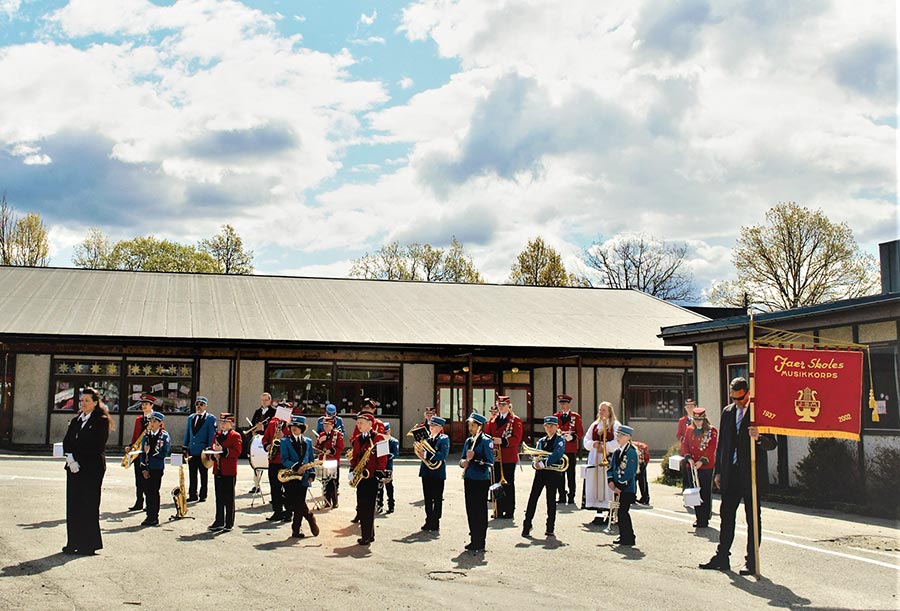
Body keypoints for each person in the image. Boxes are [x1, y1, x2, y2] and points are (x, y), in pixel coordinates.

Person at [700, 377, 777, 575]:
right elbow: (722, 444)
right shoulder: (728, 412)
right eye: (734, 398)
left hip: (750, 473)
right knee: (726, 515)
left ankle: (751, 560)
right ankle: (722, 556)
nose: (737, 402)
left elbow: (772, 444)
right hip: (730, 471)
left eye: (740, 398)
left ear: (747, 393)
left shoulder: (759, 412)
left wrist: (759, 437)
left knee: (752, 518)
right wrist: (718, 471)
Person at [62, 386, 112, 555]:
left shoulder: (101, 421)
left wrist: (78, 460)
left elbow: (96, 446)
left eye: (87, 400)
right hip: (73, 467)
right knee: (73, 504)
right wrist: (70, 459)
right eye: (81, 400)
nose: (83, 403)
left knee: (88, 505)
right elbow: (67, 441)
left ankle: (88, 544)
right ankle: (73, 542)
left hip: (91, 468)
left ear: (95, 403)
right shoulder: (76, 420)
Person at [522, 416, 566, 538]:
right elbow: (537, 454)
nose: (549, 428)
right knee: (533, 498)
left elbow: (558, 453)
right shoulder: (541, 441)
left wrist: (544, 463)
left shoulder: (560, 440)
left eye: (551, 426)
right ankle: (527, 525)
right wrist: (535, 463)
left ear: (556, 427)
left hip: (553, 473)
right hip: (540, 473)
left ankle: (550, 527)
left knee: (550, 500)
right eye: (547, 426)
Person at [350, 413, 388, 545]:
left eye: (361, 422)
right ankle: (370, 534)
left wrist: (379, 472)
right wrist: (352, 470)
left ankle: (365, 536)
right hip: (360, 477)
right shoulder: (357, 439)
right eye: (358, 423)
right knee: (362, 506)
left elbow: (383, 458)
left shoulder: (380, 438)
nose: (358, 425)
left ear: (370, 423)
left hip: (371, 477)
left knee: (368, 507)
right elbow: (354, 457)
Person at [483, 396, 523, 520]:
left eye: (503, 405)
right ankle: (498, 510)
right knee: (496, 484)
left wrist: (503, 441)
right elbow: (486, 434)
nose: (501, 407)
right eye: (499, 404)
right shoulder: (493, 420)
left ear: (509, 406)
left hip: (508, 457)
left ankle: (509, 510)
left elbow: (517, 438)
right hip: (495, 456)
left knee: (508, 484)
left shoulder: (515, 420)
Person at [280, 415, 320, 538]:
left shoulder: (307, 441)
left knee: (300, 502)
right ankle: (309, 517)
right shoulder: (285, 441)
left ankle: (296, 530)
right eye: (292, 426)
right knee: (293, 502)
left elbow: (311, 458)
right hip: (291, 476)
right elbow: (284, 459)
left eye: (297, 427)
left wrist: (312, 473)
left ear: (302, 428)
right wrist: (296, 466)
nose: (294, 429)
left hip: (304, 476)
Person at [460, 413, 494, 553]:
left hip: (481, 479)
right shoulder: (468, 441)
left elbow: (490, 462)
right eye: (469, 425)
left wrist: (475, 458)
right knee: (470, 509)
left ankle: (480, 540)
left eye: (473, 425)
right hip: (469, 478)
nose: (470, 428)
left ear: (480, 426)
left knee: (480, 510)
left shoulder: (486, 441)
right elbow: (462, 459)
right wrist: (464, 462)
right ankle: (473, 537)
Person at [583, 401, 620, 524]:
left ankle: (610, 512)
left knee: (607, 485)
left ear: (610, 412)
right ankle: (598, 512)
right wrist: (593, 444)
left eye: (604, 410)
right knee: (594, 485)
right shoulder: (594, 425)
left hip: (609, 459)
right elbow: (586, 440)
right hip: (595, 458)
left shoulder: (615, 425)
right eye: (600, 410)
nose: (601, 412)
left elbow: (618, 442)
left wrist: (605, 446)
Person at [680, 406, 718, 527]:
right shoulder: (689, 429)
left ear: (704, 419)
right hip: (691, 465)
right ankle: (698, 517)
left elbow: (711, 448)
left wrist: (702, 461)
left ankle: (705, 517)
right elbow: (685, 444)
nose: (697, 422)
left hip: (705, 466)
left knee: (705, 492)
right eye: (695, 420)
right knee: (694, 492)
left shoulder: (712, 431)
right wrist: (688, 458)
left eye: (700, 420)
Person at [208, 413, 243, 532]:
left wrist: (222, 451)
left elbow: (237, 452)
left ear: (231, 424)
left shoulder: (235, 435)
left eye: (225, 422)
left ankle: (229, 522)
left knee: (228, 497)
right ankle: (219, 521)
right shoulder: (217, 435)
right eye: (221, 422)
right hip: (218, 469)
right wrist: (213, 455)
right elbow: (213, 448)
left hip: (229, 470)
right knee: (219, 497)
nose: (222, 424)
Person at [415, 416, 450, 532]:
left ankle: (436, 521)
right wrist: (420, 453)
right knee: (428, 497)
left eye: (434, 426)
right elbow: (421, 450)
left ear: (440, 428)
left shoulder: (444, 439)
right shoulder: (426, 438)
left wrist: (427, 455)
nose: (431, 428)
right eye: (430, 425)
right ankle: (428, 519)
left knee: (437, 497)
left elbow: (442, 455)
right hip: (426, 471)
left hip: (438, 472)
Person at [608, 425, 639, 546]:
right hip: (617, 487)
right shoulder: (617, 451)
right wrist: (610, 480)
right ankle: (623, 535)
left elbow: (629, 472)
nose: (618, 437)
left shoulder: (631, 452)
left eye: (622, 435)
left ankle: (629, 537)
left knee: (623, 512)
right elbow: (611, 468)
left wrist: (619, 487)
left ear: (629, 437)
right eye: (618, 435)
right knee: (619, 512)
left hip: (626, 488)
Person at [129, 394, 161, 511]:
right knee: (138, 478)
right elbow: (135, 436)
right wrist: (130, 447)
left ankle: (149, 503)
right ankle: (139, 501)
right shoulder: (139, 420)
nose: (143, 406)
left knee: (148, 479)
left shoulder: (157, 419)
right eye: (142, 404)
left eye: (146, 404)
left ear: (151, 405)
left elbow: (160, 436)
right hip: (139, 452)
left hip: (150, 454)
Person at [138, 411, 170, 526]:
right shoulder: (146, 435)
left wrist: (150, 452)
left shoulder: (164, 436)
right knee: (147, 491)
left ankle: (154, 516)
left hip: (157, 467)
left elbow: (164, 452)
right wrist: (143, 468)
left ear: (160, 423)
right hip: (147, 466)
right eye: (151, 421)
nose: (152, 423)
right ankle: (149, 515)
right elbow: (142, 452)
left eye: (154, 421)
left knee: (154, 491)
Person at [182, 396, 216, 502]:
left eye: (201, 404)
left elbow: (211, 434)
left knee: (203, 473)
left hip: (203, 451)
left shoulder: (210, 418)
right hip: (192, 449)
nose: (199, 406)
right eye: (197, 404)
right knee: (192, 473)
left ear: (205, 406)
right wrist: (185, 446)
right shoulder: (191, 417)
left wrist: (210, 449)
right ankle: (192, 494)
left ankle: (203, 494)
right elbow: (188, 432)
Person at [553, 394, 584, 505]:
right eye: (561, 404)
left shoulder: (575, 417)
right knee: (559, 474)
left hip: (570, 449)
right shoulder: (556, 416)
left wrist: (573, 437)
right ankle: (561, 495)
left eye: (565, 403)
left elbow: (580, 432)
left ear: (569, 404)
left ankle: (571, 495)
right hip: (559, 449)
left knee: (570, 474)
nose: (563, 406)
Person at [262, 410, 291, 521]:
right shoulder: (272, 423)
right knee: (275, 488)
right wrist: (267, 446)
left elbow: (295, 440)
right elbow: (265, 438)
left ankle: (288, 513)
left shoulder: (292, 424)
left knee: (288, 488)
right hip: (273, 460)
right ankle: (277, 512)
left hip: (286, 461)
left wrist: (284, 437)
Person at [314, 416, 344, 508]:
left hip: (333, 461)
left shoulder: (337, 434)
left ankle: (335, 502)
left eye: (328, 425)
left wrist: (331, 451)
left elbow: (340, 447)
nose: (325, 427)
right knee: (325, 482)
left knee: (333, 482)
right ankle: (327, 501)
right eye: (324, 425)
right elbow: (316, 448)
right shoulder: (321, 434)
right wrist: (319, 442)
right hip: (323, 461)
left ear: (332, 425)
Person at [376, 423, 400, 514]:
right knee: (379, 486)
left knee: (389, 486)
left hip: (388, 466)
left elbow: (396, 453)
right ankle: (379, 504)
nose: (384, 435)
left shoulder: (394, 441)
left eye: (386, 432)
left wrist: (390, 455)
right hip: (379, 466)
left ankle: (391, 504)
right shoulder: (379, 441)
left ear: (389, 431)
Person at [677, 398, 697, 491]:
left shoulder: (699, 419)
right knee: (686, 472)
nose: (689, 408)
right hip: (686, 451)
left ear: (695, 407)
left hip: (697, 450)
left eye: (691, 406)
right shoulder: (682, 420)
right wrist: (684, 439)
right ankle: (686, 490)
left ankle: (696, 490)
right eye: (687, 407)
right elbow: (678, 434)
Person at [632, 439, 651, 505]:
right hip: (642, 462)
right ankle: (645, 497)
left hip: (639, 463)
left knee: (634, 481)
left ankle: (633, 497)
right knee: (643, 481)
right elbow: (647, 458)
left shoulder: (631, 446)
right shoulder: (641, 446)